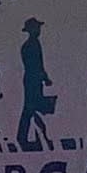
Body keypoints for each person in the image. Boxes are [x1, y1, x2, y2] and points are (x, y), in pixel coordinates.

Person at [19, 16, 57, 149]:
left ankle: (30, 136)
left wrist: (44, 78)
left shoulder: (32, 44)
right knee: (31, 108)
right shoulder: (31, 45)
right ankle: (24, 137)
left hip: (34, 79)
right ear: (31, 30)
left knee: (31, 108)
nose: (39, 30)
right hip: (33, 79)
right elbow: (35, 65)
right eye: (37, 27)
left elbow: (38, 65)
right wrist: (44, 78)